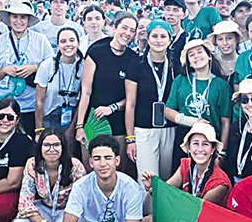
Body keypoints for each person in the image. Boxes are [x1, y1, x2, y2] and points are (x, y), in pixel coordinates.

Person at [10, 129, 88, 222]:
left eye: (56, 145)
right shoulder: (32, 164)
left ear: (63, 147)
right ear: (40, 148)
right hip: (44, 208)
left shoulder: (75, 166)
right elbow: (25, 202)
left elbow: (82, 202)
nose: (51, 149)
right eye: (46, 145)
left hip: (66, 210)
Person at [75, 13, 138, 165]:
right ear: (114, 27)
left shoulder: (133, 58)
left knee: (117, 167)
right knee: (91, 167)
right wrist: (79, 125)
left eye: (132, 30)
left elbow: (132, 98)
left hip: (119, 122)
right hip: (93, 120)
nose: (127, 33)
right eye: (124, 28)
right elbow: (86, 92)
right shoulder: (96, 52)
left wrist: (113, 107)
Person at [0, 0, 54, 131]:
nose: (18, 21)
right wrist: (3, 71)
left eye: (23, 17)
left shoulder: (41, 40)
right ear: (9, 19)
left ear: (28, 20)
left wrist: (34, 68)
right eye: (15, 17)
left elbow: (53, 69)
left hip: (29, 107)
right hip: (1, 107)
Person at [140, 122, 230, 222]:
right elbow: (165, 192)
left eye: (205, 144)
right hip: (186, 216)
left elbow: (196, 212)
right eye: (195, 143)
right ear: (189, 148)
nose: (200, 149)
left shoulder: (220, 183)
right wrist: (151, 187)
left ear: (213, 149)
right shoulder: (186, 164)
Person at [125, 18, 178, 179]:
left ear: (170, 40)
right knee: (147, 179)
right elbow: (130, 104)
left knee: (166, 179)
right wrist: (130, 138)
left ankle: (161, 206)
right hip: (144, 130)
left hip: (170, 129)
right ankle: (146, 207)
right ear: (147, 38)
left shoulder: (176, 65)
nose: (159, 40)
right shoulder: (136, 64)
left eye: (163, 36)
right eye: (154, 36)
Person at [166, 39, 232, 154]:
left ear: (209, 56)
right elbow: (167, 111)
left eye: (200, 52)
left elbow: (225, 121)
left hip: (211, 141)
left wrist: (222, 151)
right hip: (184, 141)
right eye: (191, 55)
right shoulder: (180, 81)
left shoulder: (222, 85)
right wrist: (192, 121)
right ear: (189, 63)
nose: (196, 56)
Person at [34, 27, 83, 140]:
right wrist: (39, 129)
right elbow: (39, 101)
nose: (68, 44)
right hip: (50, 116)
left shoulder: (83, 65)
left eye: (72, 40)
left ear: (78, 43)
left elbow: (83, 98)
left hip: (73, 117)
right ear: (57, 45)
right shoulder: (47, 65)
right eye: (63, 41)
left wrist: (73, 128)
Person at [160, 0, 189, 65]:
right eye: (168, 9)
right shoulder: (157, 37)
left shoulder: (188, 39)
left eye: (175, 10)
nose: (171, 13)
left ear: (183, 15)